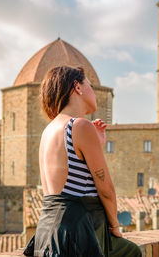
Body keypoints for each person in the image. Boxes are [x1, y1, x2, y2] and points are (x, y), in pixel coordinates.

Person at [23, 65, 142, 257]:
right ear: (77, 87)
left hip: (48, 232)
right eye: (90, 86)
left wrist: (97, 145)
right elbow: (106, 189)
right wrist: (114, 227)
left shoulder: (49, 130)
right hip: (77, 232)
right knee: (131, 252)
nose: (93, 92)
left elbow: (68, 176)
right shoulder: (79, 125)